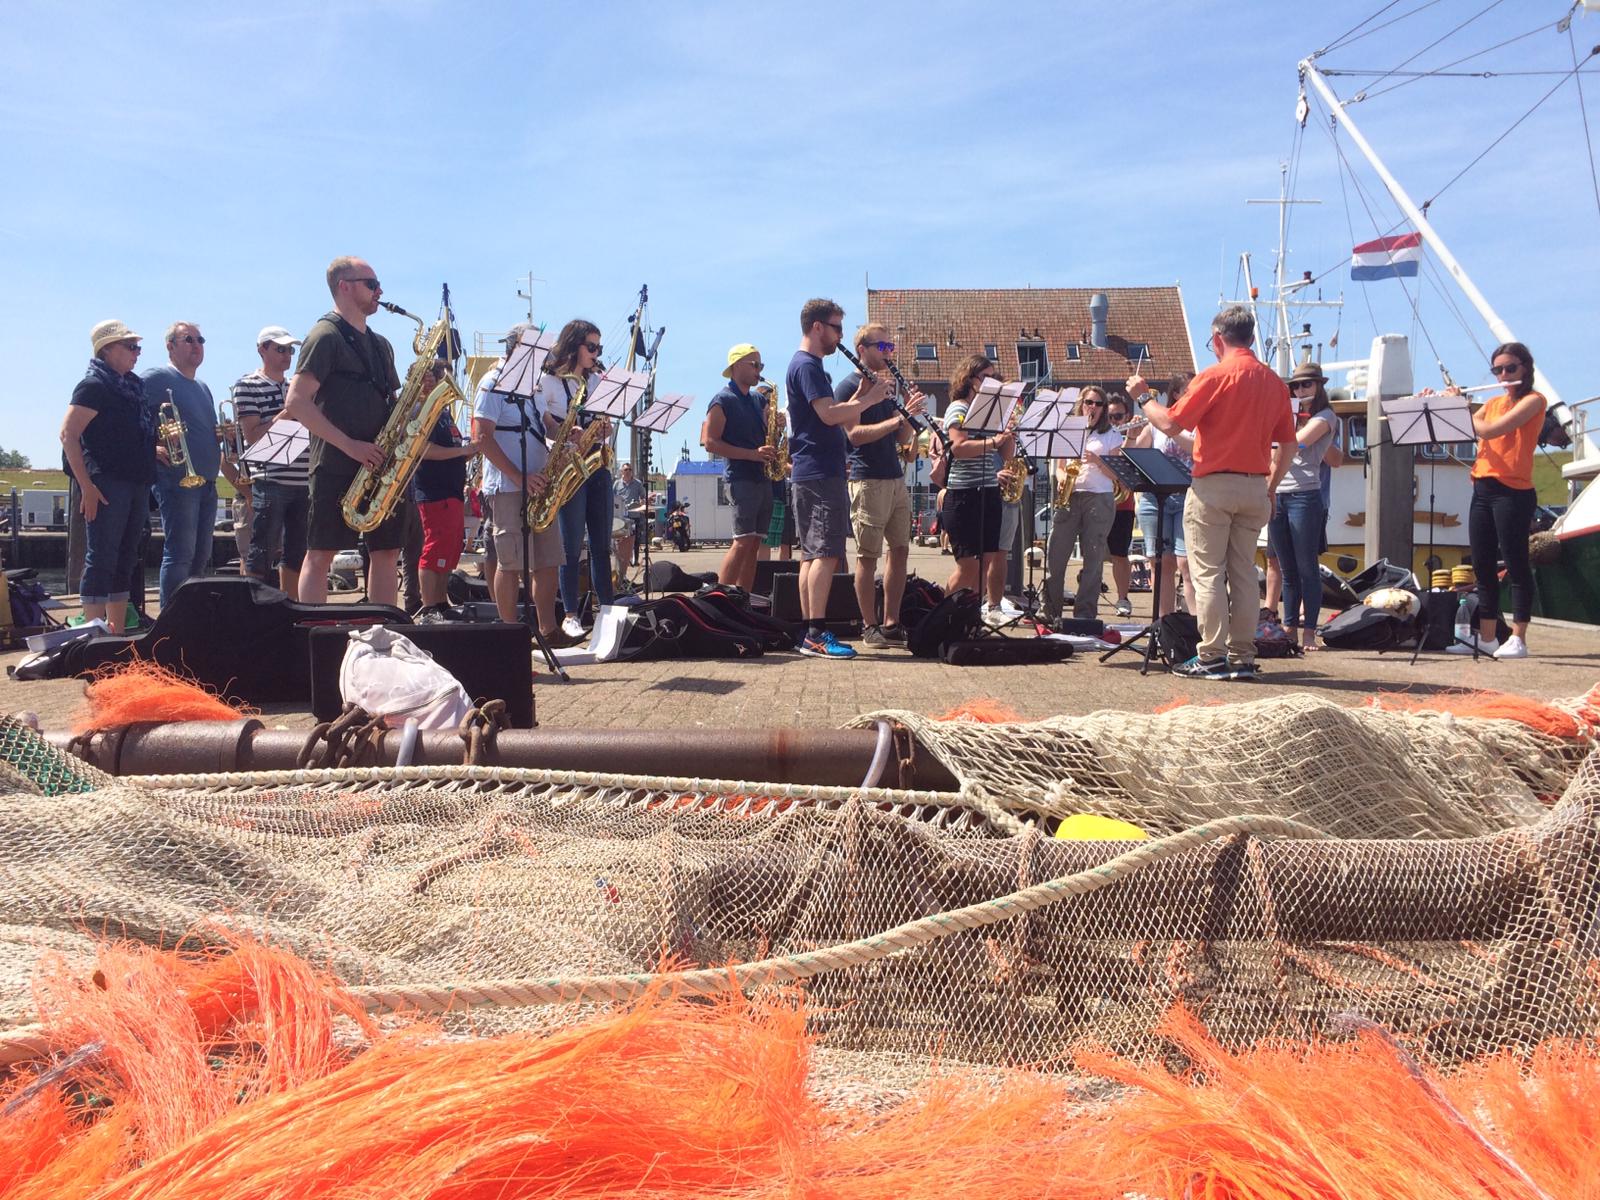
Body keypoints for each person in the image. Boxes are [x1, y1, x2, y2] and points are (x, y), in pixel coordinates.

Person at [1143, 305, 1296, 680]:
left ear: (1217, 339)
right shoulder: (1274, 382)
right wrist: (1271, 487)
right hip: (1255, 484)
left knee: (1208, 573)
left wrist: (1143, 397)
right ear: (1251, 338)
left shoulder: (1214, 376)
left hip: (1214, 484)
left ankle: (1212, 655)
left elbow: (1171, 422)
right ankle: (1242, 656)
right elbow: (1289, 445)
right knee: (1243, 573)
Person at [283, 256, 409, 607]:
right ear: (344, 286)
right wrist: (351, 445)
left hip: (381, 462)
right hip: (337, 461)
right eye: (371, 284)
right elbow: (296, 401)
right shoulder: (325, 335)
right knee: (321, 552)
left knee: (387, 551)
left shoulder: (382, 344)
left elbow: (390, 401)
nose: (379, 291)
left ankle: (382, 626)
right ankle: (312, 629)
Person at [785, 298, 890, 658]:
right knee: (827, 553)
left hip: (811, 471)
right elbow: (829, 415)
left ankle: (808, 631)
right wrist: (871, 399)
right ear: (817, 327)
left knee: (811, 555)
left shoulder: (807, 365)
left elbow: (835, 414)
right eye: (836, 328)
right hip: (819, 471)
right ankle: (816, 633)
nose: (840, 336)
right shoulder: (808, 366)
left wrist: (861, 394)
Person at [1440, 341, 1546, 659]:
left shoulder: (1534, 401)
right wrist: (1444, 404)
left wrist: (1461, 406)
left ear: (1525, 368)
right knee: (1482, 564)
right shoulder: (1493, 402)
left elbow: (1490, 431)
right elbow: (1467, 427)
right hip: (1483, 488)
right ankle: (1487, 638)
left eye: (1510, 368)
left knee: (1515, 562)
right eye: (1497, 369)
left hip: (1513, 490)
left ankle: (1518, 638)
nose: (1503, 375)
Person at [470, 324, 574, 646]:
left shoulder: (534, 387)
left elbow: (547, 425)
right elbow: (481, 437)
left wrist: (569, 433)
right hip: (508, 486)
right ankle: (510, 635)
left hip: (540, 483)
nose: (543, 356)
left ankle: (548, 630)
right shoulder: (492, 383)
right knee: (511, 562)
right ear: (516, 347)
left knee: (548, 560)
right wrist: (519, 476)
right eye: (536, 349)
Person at [60, 320, 157, 634]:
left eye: (137, 347)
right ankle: (92, 631)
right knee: (102, 556)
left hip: (137, 481)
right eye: (131, 346)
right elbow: (68, 434)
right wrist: (86, 486)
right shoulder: (94, 386)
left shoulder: (133, 388)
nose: (137, 353)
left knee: (126, 557)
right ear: (107, 349)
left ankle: (116, 631)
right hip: (106, 483)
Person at [144, 321, 238, 607]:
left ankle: (190, 616)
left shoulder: (203, 387)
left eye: (200, 340)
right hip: (176, 479)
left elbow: (201, 433)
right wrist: (149, 445)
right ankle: (170, 620)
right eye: (189, 340)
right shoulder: (157, 378)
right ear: (170, 346)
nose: (197, 345)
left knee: (200, 556)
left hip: (206, 480)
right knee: (180, 553)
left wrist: (221, 435)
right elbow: (127, 411)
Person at [839, 323, 921, 648]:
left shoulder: (886, 387)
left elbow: (901, 437)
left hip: (894, 477)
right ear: (862, 349)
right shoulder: (849, 387)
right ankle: (868, 625)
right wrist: (898, 419)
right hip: (868, 479)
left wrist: (910, 415)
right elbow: (854, 436)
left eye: (891, 347)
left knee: (900, 551)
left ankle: (891, 622)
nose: (890, 353)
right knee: (868, 555)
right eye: (883, 347)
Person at [541, 319, 613, 638]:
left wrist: (604, 428)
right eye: (592, 347)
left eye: (599, 347)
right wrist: (564, 432)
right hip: (568, 465)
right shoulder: (549, 381)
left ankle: (607, 610)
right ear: (574, 345)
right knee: (570, 545)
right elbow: (542, 425)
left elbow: (605, 424)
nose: (597, 353)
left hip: (596, 464)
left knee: (601, 544)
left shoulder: (596, 381)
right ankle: (570, 614)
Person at [941, 355, 1019, 616]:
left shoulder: (991, 413)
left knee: (986, 563)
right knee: (968, 567)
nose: (991, 382)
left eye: (993, 377)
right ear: (970, 379)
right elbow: (959, 447)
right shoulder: (959, 408)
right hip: (964, 494)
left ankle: (969, 617)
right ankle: (941, 616)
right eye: (986, 377)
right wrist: (993, 442)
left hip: (989, 492)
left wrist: (1008, 433)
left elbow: (1006, 455)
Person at [1268, 362, 1339, 651]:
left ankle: (1309, 631)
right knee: (1287, 569)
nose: (1300, 390)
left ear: (1319, 386)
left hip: (1305, 495)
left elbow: (1296, 443)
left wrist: (1284, 423)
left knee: (1307, 567)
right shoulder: (1288, 415)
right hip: (1278, 492)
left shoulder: (1325, 416)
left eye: (1306, 384)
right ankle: (1289, 628)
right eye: (1295, 386)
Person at [233, 325, 308, 598]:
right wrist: (289, 411)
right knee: (261, 552)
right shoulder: (247, 385)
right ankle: (252, 609)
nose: (287, 355)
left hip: (303, 479)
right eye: (280, 349)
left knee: (297, 552)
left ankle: (291, 608)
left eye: (290, 350)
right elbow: (253, 436)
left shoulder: (295, 387)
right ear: (262, 350)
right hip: (270, 479)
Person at [702, 343, 777, 591]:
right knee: (743, 541)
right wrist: (752, 455)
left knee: (754, 544)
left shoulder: (758, 399)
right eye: (754, 364)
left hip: (762, 477)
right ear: (736, 366)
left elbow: (766, 436)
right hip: (741, 478)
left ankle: (743, 599)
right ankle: (719, 599)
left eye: (761, 365)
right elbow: (710, 442)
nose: (759, 370)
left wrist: (776, 425)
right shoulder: (722, 400)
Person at [409, 359, 480, 620]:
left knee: (448, 549)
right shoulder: (423, 410)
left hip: (451, 491)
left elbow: (452, 450)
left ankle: (440, 602)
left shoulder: (444, 413)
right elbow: (423, 450)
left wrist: (470, 450)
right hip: (434, 491)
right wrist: (462, 451)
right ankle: (430, 605)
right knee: (435, 546)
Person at [1042, 386, 1120, 622]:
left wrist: (1097, 460)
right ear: (1081, 404)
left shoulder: (1111, 434)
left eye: (1098, 404)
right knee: (1056, 555)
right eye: (1089, 402)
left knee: (1093, 559)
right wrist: (1062, 479)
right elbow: (1060, 467)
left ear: (1103, 409)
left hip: (1099, 497)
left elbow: (1116, 474)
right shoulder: (1069, 430)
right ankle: (1051, 612)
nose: (1093, 407)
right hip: (1071, 496)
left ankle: (1085, 615)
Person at [1126, 372, 1194, 618]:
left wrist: (1166, 424)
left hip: (1189, 497)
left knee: (1187, 564)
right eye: (1189, 390)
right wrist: (1131, 435)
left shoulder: (1200, 423)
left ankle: (1197, 626)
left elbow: (1196, 449)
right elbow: (1131, 456)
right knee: (1160, 563)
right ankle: (1164, 623)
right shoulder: (1154, 426)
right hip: (1155, 499)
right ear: (1176, 393)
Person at [1104, 393, 1139, 617]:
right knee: (1091, 553)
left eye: (1118, 416)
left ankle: (1123, 599)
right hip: (1098, 498)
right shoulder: (1099, 435)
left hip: (1122, 504)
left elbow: (1126, 463)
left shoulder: (1133, 436)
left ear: (1126, 416)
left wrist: (1132, 437)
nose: (1114, 421)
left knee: (1119, 553)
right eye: (1110, 417)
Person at [613, 460, 645, 571]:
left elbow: (643, 496)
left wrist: (642, 501)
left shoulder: (638, 483)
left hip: (634, 514)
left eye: (630, 469)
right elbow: (612, 497)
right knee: (620, 539)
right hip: (621, 516)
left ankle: (635, 559)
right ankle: (621, 559)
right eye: (626, 469)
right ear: (622, 472)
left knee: (635, 538)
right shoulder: (617, 484)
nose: (628, 471)